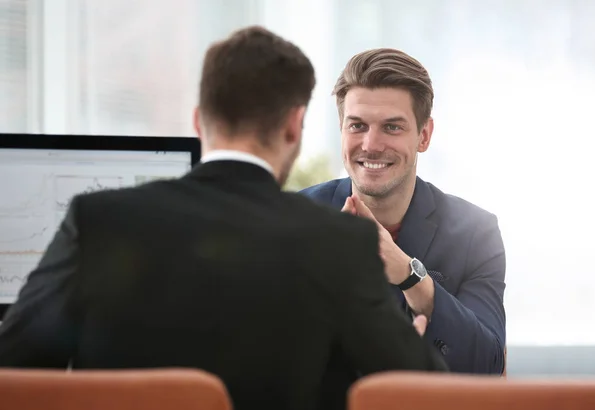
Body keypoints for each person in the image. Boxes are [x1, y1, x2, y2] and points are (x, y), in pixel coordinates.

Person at [0, 28, 447, 410]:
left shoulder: (95, 220)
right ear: (294, 126)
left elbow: (14, 373)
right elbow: (420, 392)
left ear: (198, 121)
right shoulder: (337, 241)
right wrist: (414, 340)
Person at [301, 48, 506, 374]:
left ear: (423, 136)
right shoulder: (298, 218)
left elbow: (487, 365)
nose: (371, 144)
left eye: (392, 127)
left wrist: (412, 277)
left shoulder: (475, 232)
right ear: (341, 128)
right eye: (357, 126)